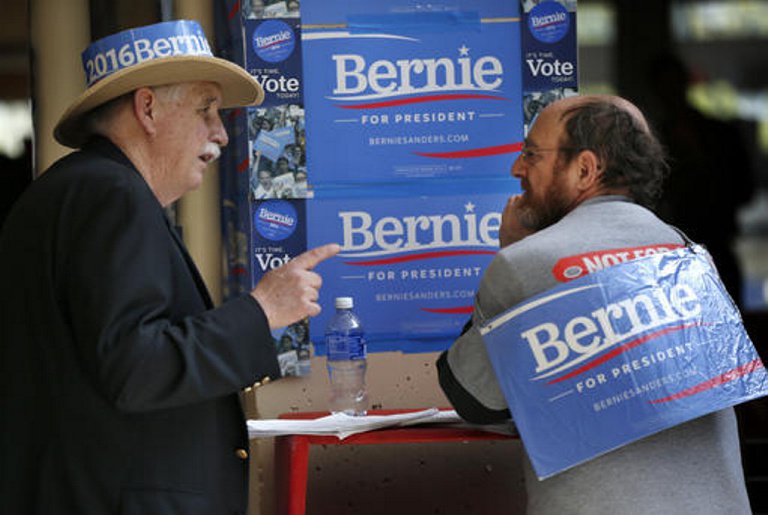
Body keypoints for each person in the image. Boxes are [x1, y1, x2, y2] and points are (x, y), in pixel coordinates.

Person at [0, 20, 339, 515]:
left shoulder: (72, 191)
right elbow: (135, 367)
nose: (221, 133)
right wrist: (262, 311)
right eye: (205, 109)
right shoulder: (111, 194)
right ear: (148, 109)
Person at [437, 95, 752, 514]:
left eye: (531, 154)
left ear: (585, 169)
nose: (517, 168)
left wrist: (511, 253)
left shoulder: (527, 262)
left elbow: (473, 398)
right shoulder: (688, 253)